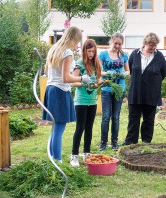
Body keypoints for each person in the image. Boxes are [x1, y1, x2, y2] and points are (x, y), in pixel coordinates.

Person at [42, 26, 91, 163]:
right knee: (59, 127)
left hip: (51, 89)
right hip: (60, 91)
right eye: (77, 41)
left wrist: (72, 69)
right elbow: (65, 78)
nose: (77, 44)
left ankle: (53, 159)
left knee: (55, 127)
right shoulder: (67, 52)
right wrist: (82, 78)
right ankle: (58, 161)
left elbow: (46, 71)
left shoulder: (54, 48)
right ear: (74, 38)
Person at [121, 32, 166, 145]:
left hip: (151, 93)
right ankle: (131, 141)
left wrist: (152, 81)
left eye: (155, 45)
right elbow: (129, 70)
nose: (153, 47)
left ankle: (146, 141)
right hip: (135, 91)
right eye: (151, 45)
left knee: (149, 119)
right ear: (145, 43)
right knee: (133, 118)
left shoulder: (159, 56)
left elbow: (163, 73)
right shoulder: (135, 54)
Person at [70, 39, 102, 167]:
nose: (91, 54)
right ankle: (74, 156)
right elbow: (72, 82)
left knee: (89, 127)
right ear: (84, 51)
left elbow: (98, 80)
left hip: (93, 101)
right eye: (89, 51)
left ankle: (87, 154)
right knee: (80, 127)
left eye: (93, 51)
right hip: (81, 101)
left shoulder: (97, 64)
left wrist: (101, 83)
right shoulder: (79, 64)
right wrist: (85, 83)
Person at [98, 33, 130, 151]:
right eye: (116, 43)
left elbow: (127, 71)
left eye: (120, 44)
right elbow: (98, 71)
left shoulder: (123, 55)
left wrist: (122, 74)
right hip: (107, 88)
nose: (117, 46)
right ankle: (103, 142)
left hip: (119, 89)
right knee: (106, 116)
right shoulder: (103, 54)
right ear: (111, 41)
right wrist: (109, 73)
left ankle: (114, 142)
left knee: (115, 117)